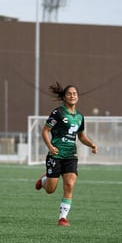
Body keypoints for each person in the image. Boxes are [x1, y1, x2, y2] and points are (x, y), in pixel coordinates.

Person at [35, 82, 98, 227]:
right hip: (56, 155)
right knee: (50, 189)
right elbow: (45, 131)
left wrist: (92, 144)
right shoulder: (58, 113)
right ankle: (44, 180)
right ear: (64, 97)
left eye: (74, 94)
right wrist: (50, 146)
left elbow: (81, 136)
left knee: (69, 185)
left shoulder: (80, 117)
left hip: (70, 156)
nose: (72, 96)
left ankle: (62, 218)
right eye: (69, 94)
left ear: (78, 97)